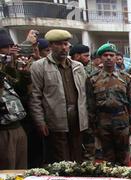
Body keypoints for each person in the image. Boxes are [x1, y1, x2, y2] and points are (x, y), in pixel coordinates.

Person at [29, 29, 89, 164]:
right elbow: (35, 97)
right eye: (59, 44)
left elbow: (85, 93)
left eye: (66, 44)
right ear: (50, 46)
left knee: (78, 159)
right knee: (61, 161)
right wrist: (40, 121)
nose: (63, 48)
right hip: (56, 123)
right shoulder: (39, 67)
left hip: (78, 122)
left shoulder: (78, 66)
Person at [86, 43, 131, 165]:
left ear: (116, 57)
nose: (108, 58)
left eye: (111, 55)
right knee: (108, 157)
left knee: (124, 155)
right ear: (100, 58)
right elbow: (90, 103)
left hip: (122, 120)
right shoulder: (93, 79)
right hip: (103, 121)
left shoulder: (125, 77)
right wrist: (92, 125)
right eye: (105, 55)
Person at [0, 29, 28, 169]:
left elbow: (20, 88)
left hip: (17, 126)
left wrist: (13, 66)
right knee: (6, 172)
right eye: (6, 48)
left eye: (12, 47)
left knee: (20, 171)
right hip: (3, 132)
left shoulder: (8, 69)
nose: (11, 51)